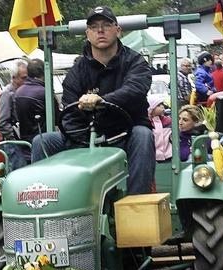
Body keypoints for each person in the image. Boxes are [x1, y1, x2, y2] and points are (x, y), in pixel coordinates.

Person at [31, 6, 155, 194]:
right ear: (87, 33)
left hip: (124, 135)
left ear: (117, 30)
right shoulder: (77, 71)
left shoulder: (135, 62)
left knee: (143, 135)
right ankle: (46, 201)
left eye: (106, 25)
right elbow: (70, 112)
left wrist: (101, 100)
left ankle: (136, 204)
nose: (100, 30)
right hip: (84, 138)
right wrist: (80, 139)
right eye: (94, 26)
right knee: (43, 141)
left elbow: (134, 91)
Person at [12, 58, 60, 168]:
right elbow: (57, 118)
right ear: (43, 73)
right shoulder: (45, 93)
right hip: (43, 143)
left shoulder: (18, 92)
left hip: (25, 145)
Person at [0, 59, 27, 142]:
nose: (26, 81)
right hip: (13, 144)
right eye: (24, 78)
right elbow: (1, 123)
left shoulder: (22, 92)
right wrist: (15, 138)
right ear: (14, 78)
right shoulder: (7, 94)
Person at [147, 94, 172, 161]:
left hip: (168, 154)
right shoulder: (148, 123)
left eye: (162, 104)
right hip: (154, 156)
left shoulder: (168, 121)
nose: (162, 107)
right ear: (151, 109)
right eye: (158, 105)